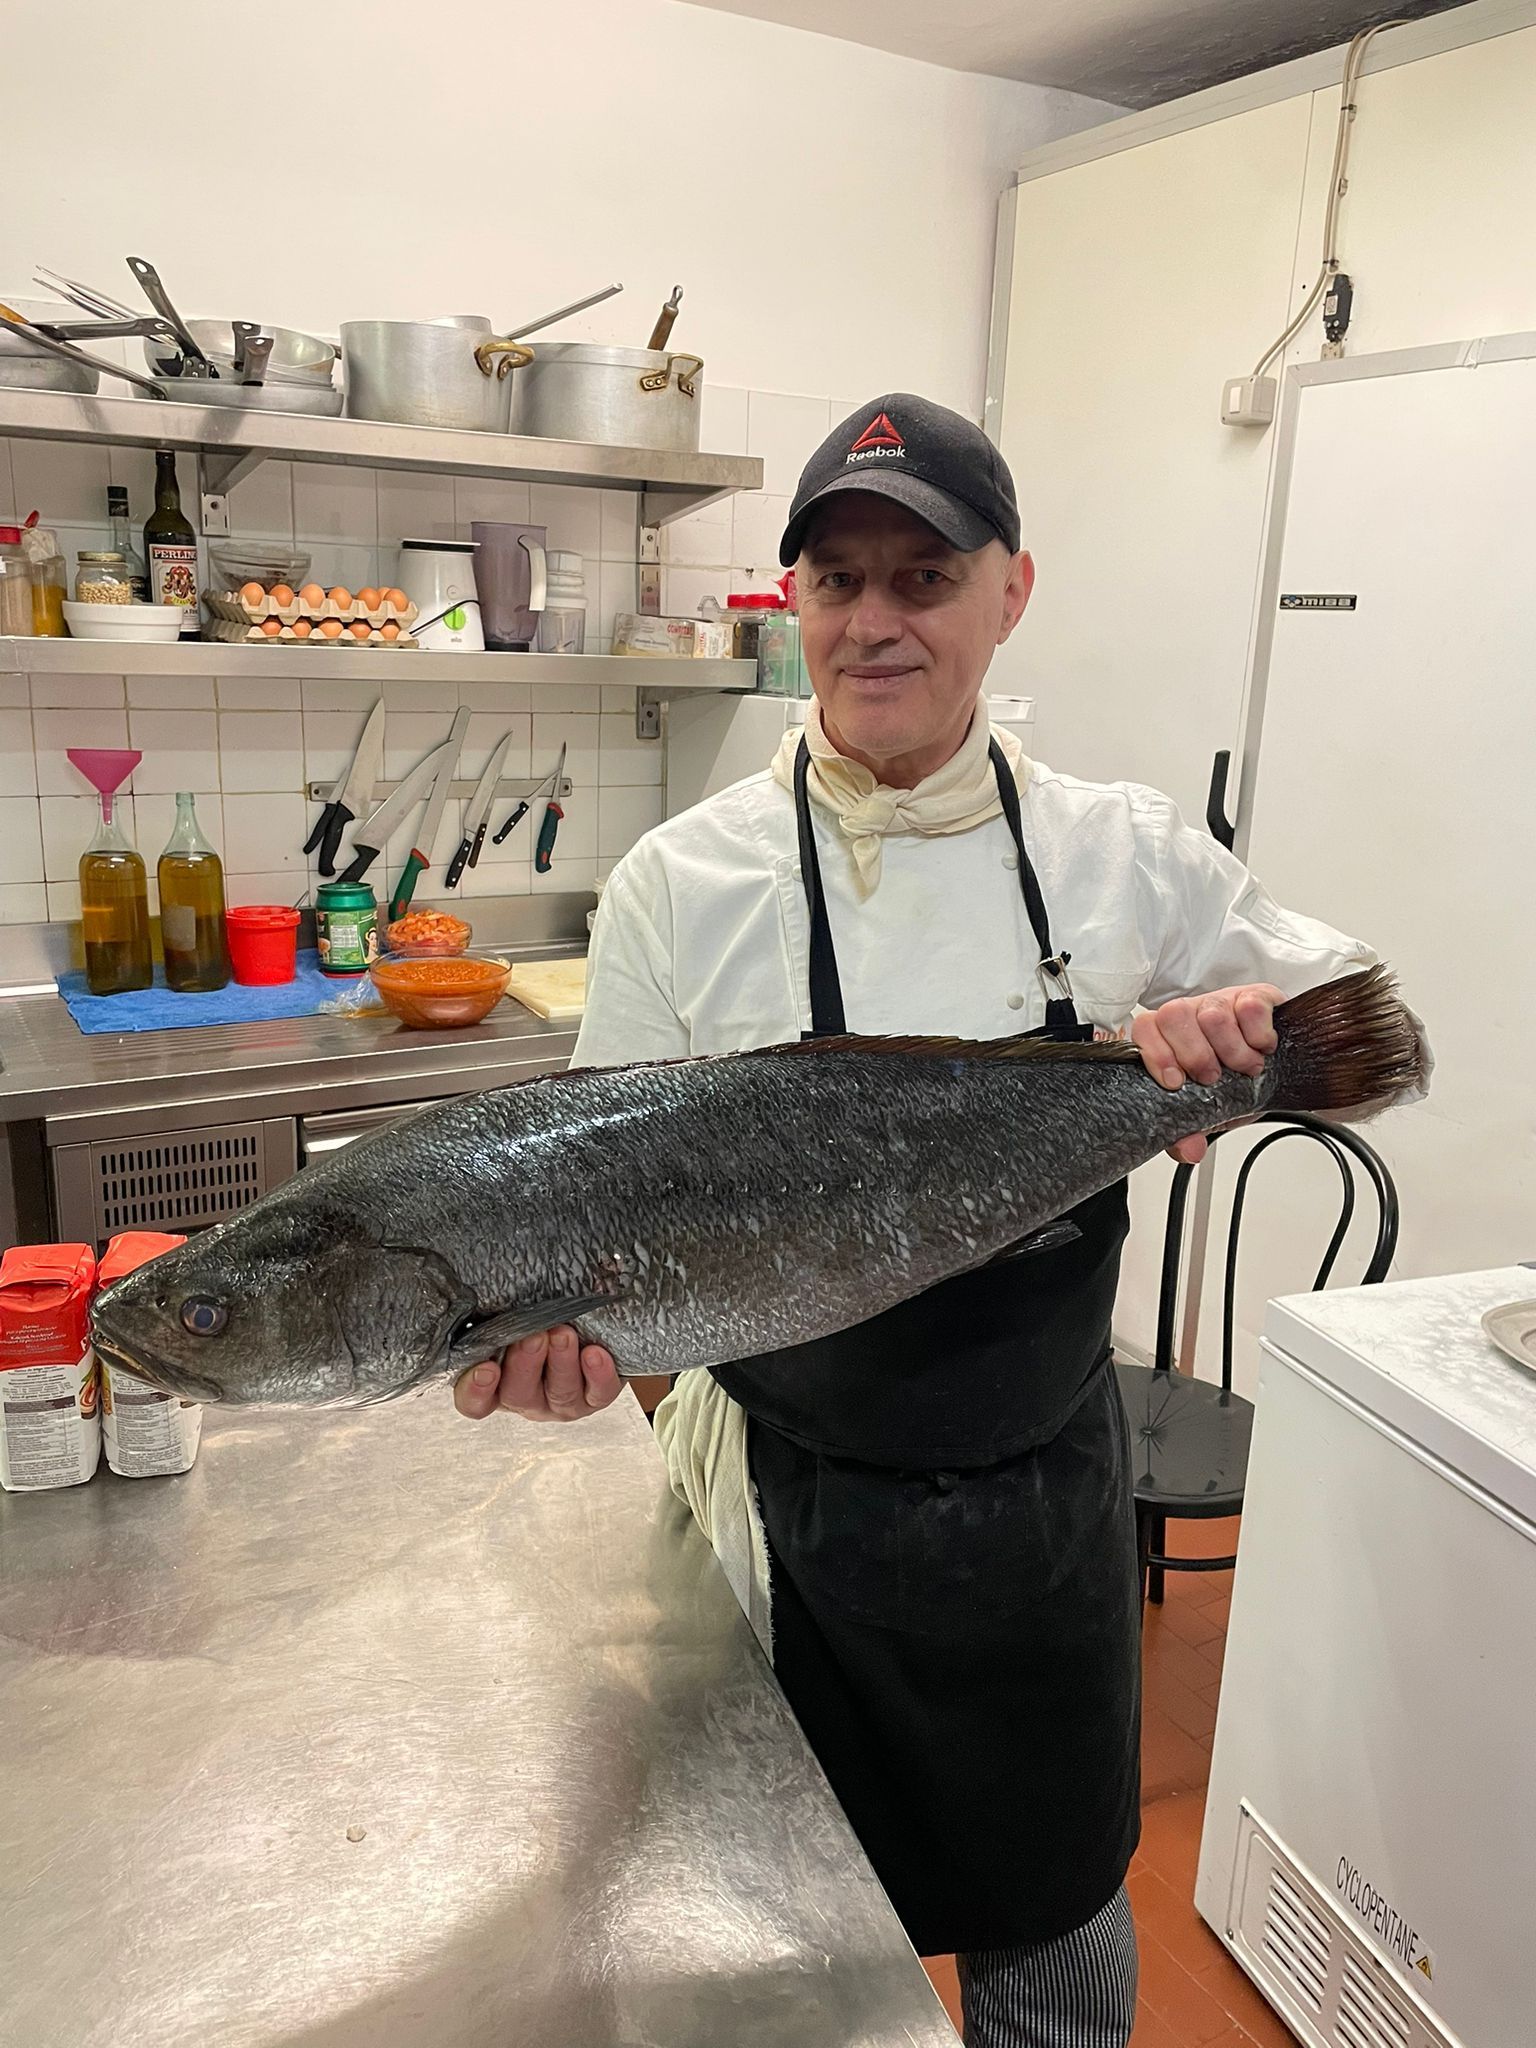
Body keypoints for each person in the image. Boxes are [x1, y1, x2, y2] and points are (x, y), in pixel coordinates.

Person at [456, 395, 1419, 2047]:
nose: (874, 622)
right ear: (798, 608)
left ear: (1010, 592)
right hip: (783, 1509)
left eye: (924, 576)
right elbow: (596, 1220)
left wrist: (1243, 1024)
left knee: (1053, 1933)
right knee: (795, 1952)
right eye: (837, 582)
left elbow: (1366, 1038)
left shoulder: (1123, 856)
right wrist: (589, 1361)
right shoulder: (684, 883)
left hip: (1040, 1507)